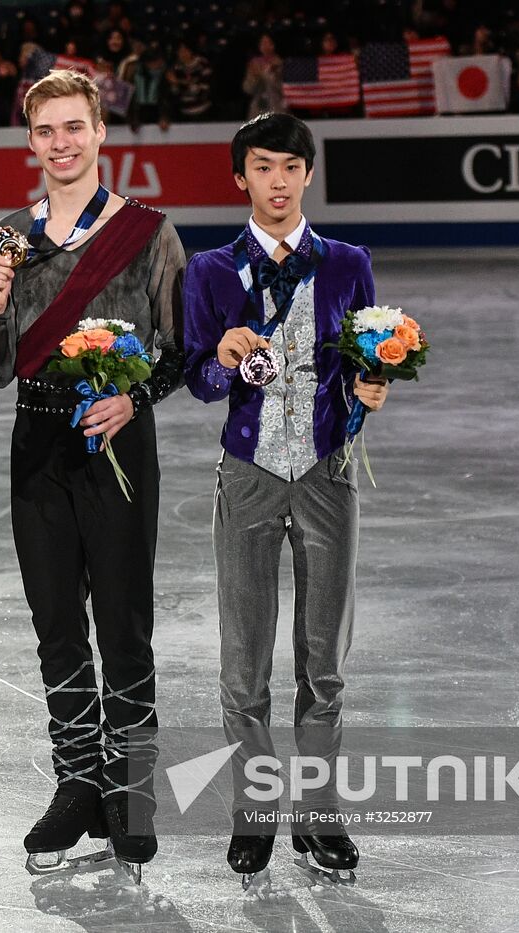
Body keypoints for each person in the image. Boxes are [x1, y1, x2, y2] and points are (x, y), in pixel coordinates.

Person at [0, 69, 185, 881]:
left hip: (119, 445)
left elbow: (183, 350)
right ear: (30, 143)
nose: (61, 143)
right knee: (57, 622)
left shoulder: (149, 233)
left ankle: (130, 792)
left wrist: (135, 397)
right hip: (39, 445)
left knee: (124, 623)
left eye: (75, 128)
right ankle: (76, 782)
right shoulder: (8, 239)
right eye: (46, 131)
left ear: (101, 134)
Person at [181, 112, 388, 886]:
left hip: (329, 472)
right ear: (241, 177)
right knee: (244, 663)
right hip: (249, 471)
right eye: (261, 167)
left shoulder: (349, 264)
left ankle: (321, 812)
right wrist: (226, 359)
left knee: (324, 659)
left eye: (290, 167)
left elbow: (365, 368)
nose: (276, 181)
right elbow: (199, 378)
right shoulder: (208, 269)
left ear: (308, 175)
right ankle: (255, 809)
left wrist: (369, 392)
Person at [242, 33, 284, 118]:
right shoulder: (254, 64)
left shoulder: (279, 64)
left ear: (273, 45)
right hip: (258, 108)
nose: (264, 46)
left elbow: (281, 87)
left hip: (276, 106)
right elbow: (248, 89)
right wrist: (254, 77)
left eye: (267, 43)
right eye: (262, 43)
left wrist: (266, 73)